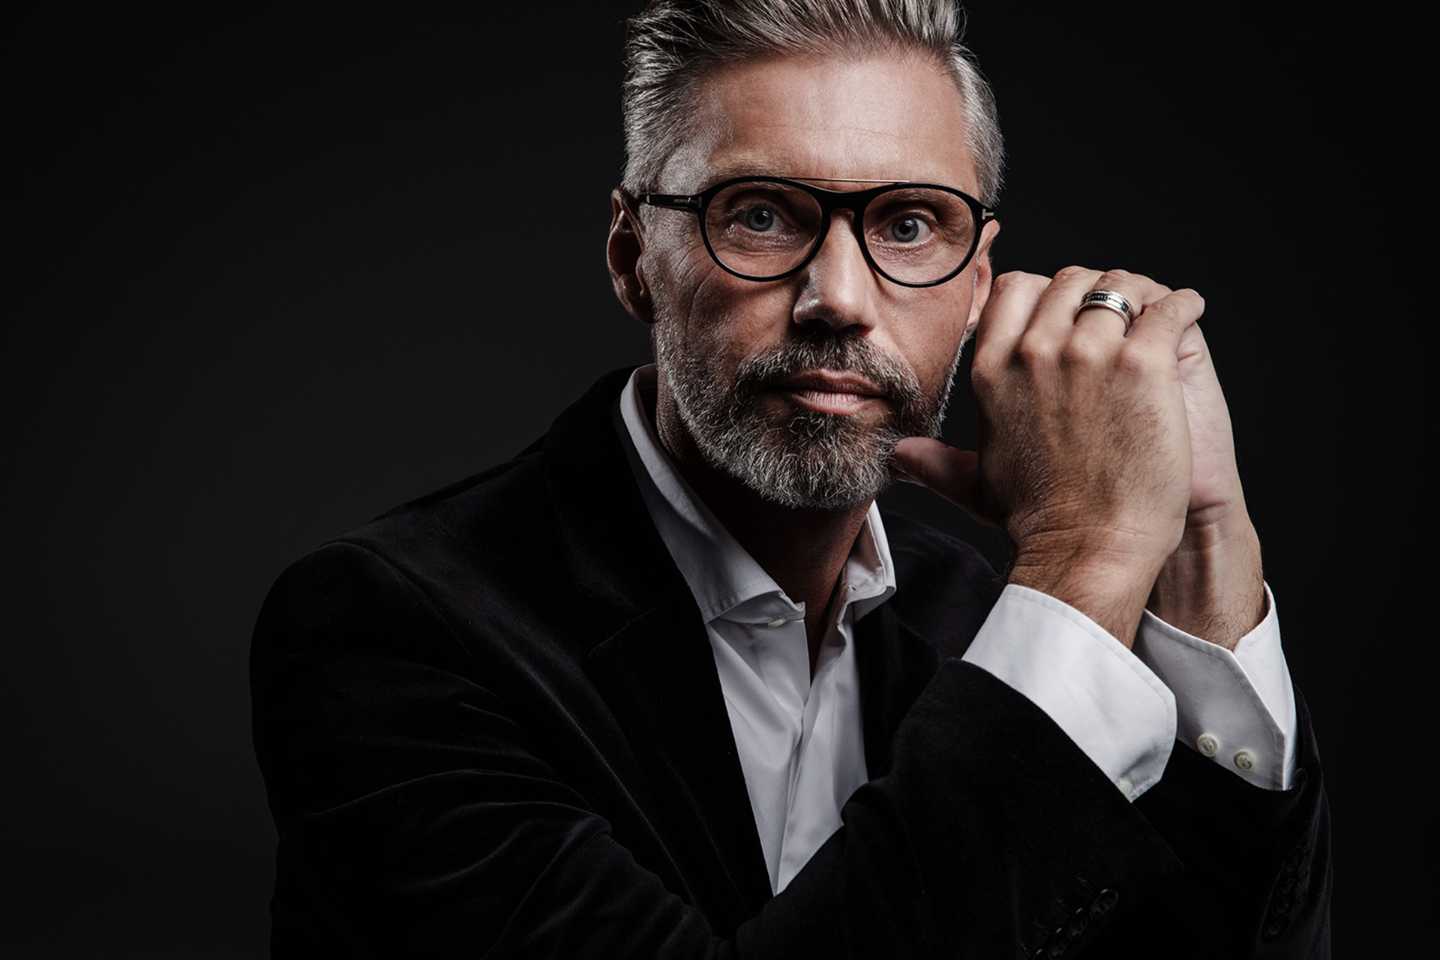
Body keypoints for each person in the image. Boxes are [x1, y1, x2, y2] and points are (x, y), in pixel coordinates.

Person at [250, 1, 1331, 955]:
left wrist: (1199, 549)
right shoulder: (390, 632)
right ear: (634, 258)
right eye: (761, 214)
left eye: (910, 225)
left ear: (977, 284)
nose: (840, 300)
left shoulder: (986, 626)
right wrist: (1088, 559)